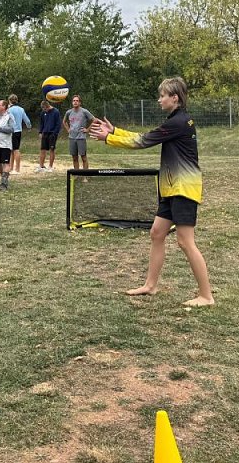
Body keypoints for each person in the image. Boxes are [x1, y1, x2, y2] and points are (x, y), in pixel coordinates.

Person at [89, 77, 213, 306]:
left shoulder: (179, 122)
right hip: (171, 188)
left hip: (184, 188)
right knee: (157, 233)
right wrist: (114, 131)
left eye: (162, 95)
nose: (159, 100)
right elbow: (145, 136)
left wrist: (109, 137)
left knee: (185, 242)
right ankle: (150, 285)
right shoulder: (175, 120)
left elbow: (142, 141)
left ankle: (206, 296)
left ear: (174, 98)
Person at [63, 94, 96, 170]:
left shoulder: (84, 111)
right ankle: (77, 173)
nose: (75, 102)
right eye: (74, 101)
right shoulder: (69, 112)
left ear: (80, 102)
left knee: (83, 157)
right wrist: (68, 129)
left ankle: (85, 174)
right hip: (72, 137)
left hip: (81, 137)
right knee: (74, 157)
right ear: (72, 102)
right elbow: (64, 121)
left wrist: (87, 129)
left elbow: (94, 120)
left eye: (77, 101)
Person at [7, 94, 32, 174]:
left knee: (15, 150)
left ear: (9, 101)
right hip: (18, 131)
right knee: (12, 150)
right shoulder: (21, 109)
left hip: (11, 131)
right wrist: (29, 127)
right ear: (17, 101)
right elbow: (27, 120)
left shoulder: (9, 110)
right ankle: (11, 168)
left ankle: (17, 169)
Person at [35, 99, 62, 172]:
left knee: (51, 150)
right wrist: (40, 132)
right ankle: (41, 166)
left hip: (52, 133)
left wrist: (55, 133)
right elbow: (41, 123)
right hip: (45, 133)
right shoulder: (43, 113)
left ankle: (50, 166)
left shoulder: (56, 111)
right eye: (43, 109)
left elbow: (58, 124)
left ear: (48, 106)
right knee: (42, 149)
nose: (44, 110)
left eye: (45, 109)